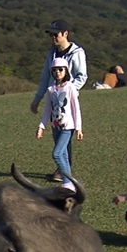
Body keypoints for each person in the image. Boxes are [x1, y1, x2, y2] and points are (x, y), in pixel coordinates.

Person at [30, 19, 88, 182]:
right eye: (51, 35)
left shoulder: (76, 52)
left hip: (67, 102)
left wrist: (69, 90)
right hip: (53, 99)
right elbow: (45, 78)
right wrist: (37, 99)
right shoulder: (52, 53)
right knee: (58, 135)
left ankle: (65, 174)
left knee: (64, 138)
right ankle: (64, 171)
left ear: (65, 34)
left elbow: (82, 76)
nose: (53, 38)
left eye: (56, 34)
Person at [35, 58, 82, 191]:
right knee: (63, 155)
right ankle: (70, 182)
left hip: (68, 127)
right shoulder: (51, 90)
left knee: (57, 153)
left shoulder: (70, 87)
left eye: (60, 69)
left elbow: (75, 108)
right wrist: (41, 126)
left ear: (66, 70)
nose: (57, 72)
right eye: (54, 70)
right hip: (55, 126)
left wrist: (78, 128)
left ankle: (68, 183)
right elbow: (47, 110)